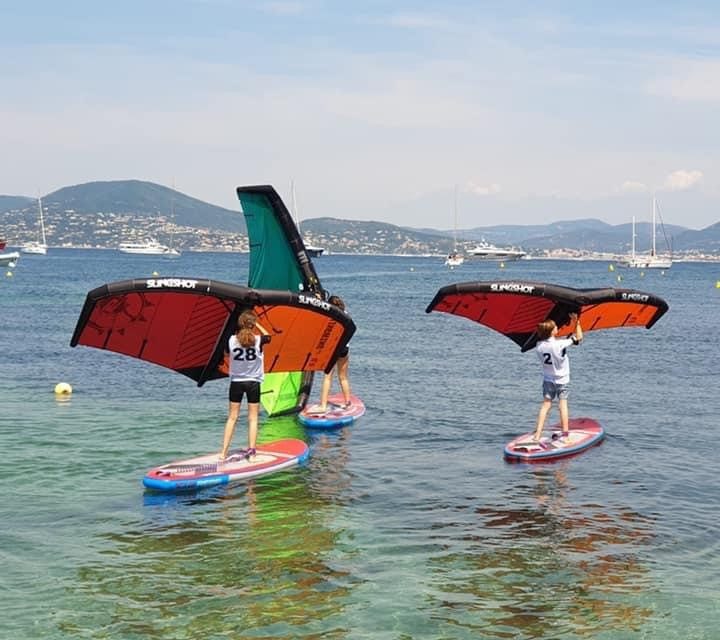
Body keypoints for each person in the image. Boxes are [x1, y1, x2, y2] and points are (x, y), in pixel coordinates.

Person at [220, 310, 270, 462]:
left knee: (232, 418)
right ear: (252, 325)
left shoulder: (231, 340)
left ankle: (223, 453)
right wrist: (258, 325)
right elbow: (268, 336)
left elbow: (227, 355)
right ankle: (252, 453)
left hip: (236, 383)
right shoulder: (258, 340)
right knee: (253, 419)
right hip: (253, 383)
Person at [532, 312, 583, 442]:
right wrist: (576, 321)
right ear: (552, 332)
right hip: (562, 380)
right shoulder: (560, 344)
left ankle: (537, 435)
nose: (557, 328)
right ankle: (565, 435)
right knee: (563, 405)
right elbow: (579, 337)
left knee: (545, 405)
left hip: (548, 379)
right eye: (555, 327)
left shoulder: (538, 346)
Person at [314, 295, 352, 412]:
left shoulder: (330, 316)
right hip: (344, 349)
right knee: (343, 377)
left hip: (332, 349)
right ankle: (347, 402)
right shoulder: (346, 314)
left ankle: (323, 406)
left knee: (327, 378)